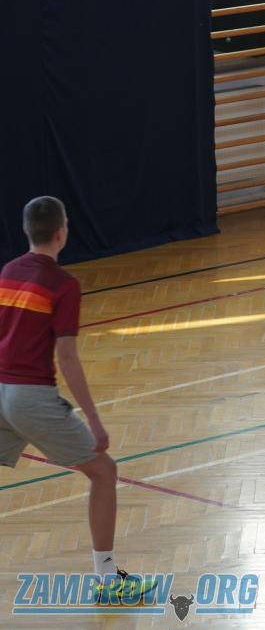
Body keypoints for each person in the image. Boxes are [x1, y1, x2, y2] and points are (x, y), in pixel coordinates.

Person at [0, 196, 156, 602]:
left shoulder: (8, 271)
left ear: (26, 230)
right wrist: (95, 420)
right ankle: (108, 580)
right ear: (62, 232)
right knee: (104, 472)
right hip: (29, 397)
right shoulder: (63, 284)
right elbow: (67, 358)